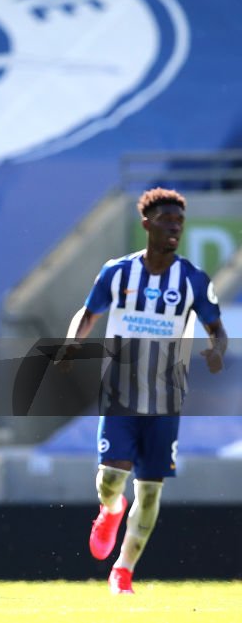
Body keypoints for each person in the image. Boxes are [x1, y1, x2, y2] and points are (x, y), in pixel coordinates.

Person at [64, 188, 228, 595]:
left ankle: (123, 572)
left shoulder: (192, 279)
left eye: (179, 222)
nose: (174, 227)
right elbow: (88, 314)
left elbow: (216, 327)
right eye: (166, 220)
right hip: (120, 393)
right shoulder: (117, 273)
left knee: (151, 490)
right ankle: (111, 509)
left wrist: (215, 350)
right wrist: (71, 344)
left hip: (165, 399)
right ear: (146, 224)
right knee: (111, 479)